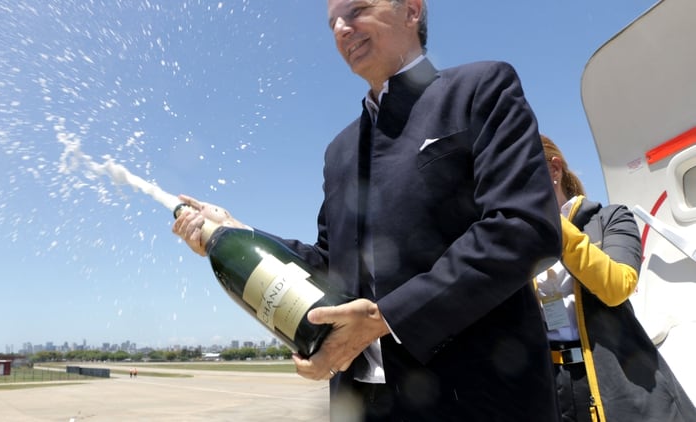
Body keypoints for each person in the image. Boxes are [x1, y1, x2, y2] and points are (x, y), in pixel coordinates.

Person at [173, 0, 562, 420]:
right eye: (332, 23)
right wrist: (237, 232)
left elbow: (524, 229)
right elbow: (328, 263)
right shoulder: (339, 151)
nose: (341, 28)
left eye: (357, 9)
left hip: (476, 397)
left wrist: (385, 319)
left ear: (412, 11)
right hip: (361, 403)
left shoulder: (480, 87)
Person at [537, 134, 696, 422]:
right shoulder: (519, 241)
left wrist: (551, 224)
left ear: (554, 170)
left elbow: (616, 287)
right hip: (557, 384)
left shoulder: (610, 218)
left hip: (620, 378)